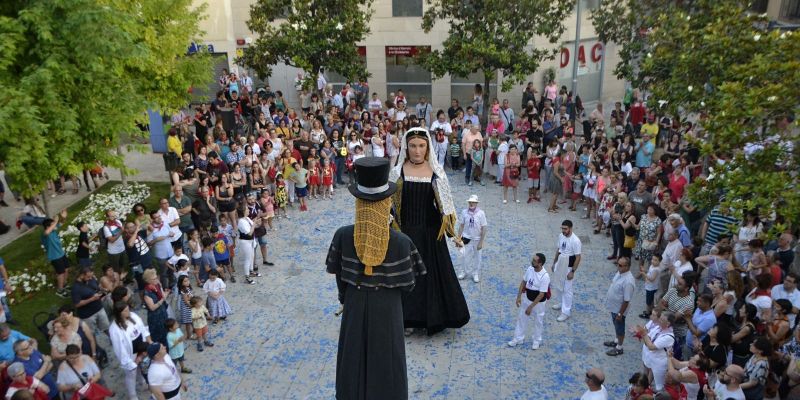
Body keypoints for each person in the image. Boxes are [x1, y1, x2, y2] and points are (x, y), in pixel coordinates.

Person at [326, 157, 426, 399]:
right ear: (387, 202)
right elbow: (409, 284)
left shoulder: (342, 236)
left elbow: (340, 278)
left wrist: (347, 298)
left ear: (358, 201)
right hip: (388, 307)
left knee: (352, 361)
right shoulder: (403, 243)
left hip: (354, 303)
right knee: (388, 363)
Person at [388, 127, 470, 336]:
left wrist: (454, 236)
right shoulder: (397, 172)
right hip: (404, 232)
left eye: (422, 146)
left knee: (428, 277)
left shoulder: (436, 172)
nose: (417, 150)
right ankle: (407, 319)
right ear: (407, 147)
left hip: (429, 234)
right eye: (413, 146)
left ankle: (428, 317)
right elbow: (388, 206)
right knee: (407, 276)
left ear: (428, 148)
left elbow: (445, 208)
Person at [508, 253, 550, 350]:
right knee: (521, 318)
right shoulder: (530, 269)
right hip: (527, 298)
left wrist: (530, 307)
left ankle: (536, 340)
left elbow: (541, 294)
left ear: (540, 263)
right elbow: (523, 282)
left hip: (538, 303)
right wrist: (519, 297)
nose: (532, 261)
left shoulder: (545, 276)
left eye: (535, 260)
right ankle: (518, 338)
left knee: (538, 321)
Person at [636, 311, 676, 391]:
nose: (658, 321)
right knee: (647, 376)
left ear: (668, 323)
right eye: (660, 318)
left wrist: (643, 334)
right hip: (651, 359)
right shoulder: (658, 327)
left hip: (659, 364)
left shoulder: (669, 337)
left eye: (661, 320)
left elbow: (651, 346)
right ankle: (645, 390)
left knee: (659, 385)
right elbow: (649, 338)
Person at [551, 219, 582, 322]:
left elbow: (578, 257)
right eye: (562, 228)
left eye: (565, 229)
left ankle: (566, 312)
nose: (563, 230)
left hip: (568, 265)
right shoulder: (561, 236)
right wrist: (554, 263)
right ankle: (561, 303)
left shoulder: (575, 241)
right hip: (560, 263)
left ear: (570, 228)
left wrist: (572, 271)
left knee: (567, 289)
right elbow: (559, 250)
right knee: (558, 285)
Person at [603, 257, 635, 356]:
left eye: (620, 265)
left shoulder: (628, 281)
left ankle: (619, 347)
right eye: (618, 264)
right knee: (616, 326)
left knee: (620, 328)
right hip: (614, 307)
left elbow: (626, 300)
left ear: (627, 267)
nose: (618, 266)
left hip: (619, 310)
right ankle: (616, 341)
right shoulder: (620, 273)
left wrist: (620, 313)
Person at [456, 195, 487, 283]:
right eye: (470, 202)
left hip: (477, 239)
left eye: (473, 202)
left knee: (478, 257)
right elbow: (461, 225)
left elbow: (484, 228)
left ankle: (475, 273)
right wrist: (458, 238)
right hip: (467, 238)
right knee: (464, 256)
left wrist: (481, 242)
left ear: (476, 203)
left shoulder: (481, 213)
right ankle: (464, 272)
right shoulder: (464, 212)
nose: (471, 203)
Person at [71, 267, 110, 335]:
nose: (90, 278)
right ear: (82, 275)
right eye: (88, 277)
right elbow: (77, 304)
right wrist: (92, 299)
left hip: (99, 308)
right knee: (91, 334)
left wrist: (102, 289)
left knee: (106, 328)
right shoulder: (75, 288)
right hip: (88, 316)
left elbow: (97, 286)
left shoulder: (91, 279)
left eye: (91, 276)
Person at [41, 210, 70, 297]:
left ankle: (64, 285)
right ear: (48, 226)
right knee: (60, 273)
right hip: (55, 257)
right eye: (53, 224)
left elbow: (61, 223)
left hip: (61, 254)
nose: (55, 225)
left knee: (67, 269)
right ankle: (60, 290)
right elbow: (46, 232)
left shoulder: (53, 231)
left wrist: (63, 218)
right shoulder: (45, 235)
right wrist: (56, 221)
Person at [143, 268, 169, 347]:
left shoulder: (157, 285)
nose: (156, 280)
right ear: (148, 280)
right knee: (158, 337)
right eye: (153, 279)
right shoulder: (147, 292)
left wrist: (162, 289)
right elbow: (152, 307)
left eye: (156, 278)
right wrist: (162, 300)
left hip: (163, 313)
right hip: (155, 318)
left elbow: (162, 294)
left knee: (166, 333)